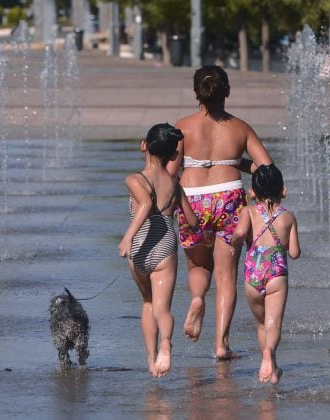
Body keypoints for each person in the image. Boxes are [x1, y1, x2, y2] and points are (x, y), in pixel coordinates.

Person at [167, 65, 274, 360]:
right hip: (229, 197)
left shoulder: (183, 126)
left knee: (199, 267)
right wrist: (239, 164)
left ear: (196, 93)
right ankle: (221, 345)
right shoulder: (240, 128)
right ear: (227, 91)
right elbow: (267, 168)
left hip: (192, 199)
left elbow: (172, 172)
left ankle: (198, 298)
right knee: (226, 277)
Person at [119, 123, 199, 377]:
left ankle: (152, 360)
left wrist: (127, 238)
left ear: (144, 145)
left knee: (147, 303)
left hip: (140, 247)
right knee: (162, 308)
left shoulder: (134, 179)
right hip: (165, 244)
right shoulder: (174, 183)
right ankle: (166, 344)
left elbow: (144, 204)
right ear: (173, 155)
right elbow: (193, 221)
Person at [231, 164, 300, 384]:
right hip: (276, 275)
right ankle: (269, 354)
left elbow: (240, 233)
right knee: (274, 324)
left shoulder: (248, 212)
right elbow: (295, 253)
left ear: (252, 192)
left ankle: (270, 362)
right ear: (283, 191)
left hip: (252, 275)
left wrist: (235, 243)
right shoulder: (288, 217)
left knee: (262, 325)